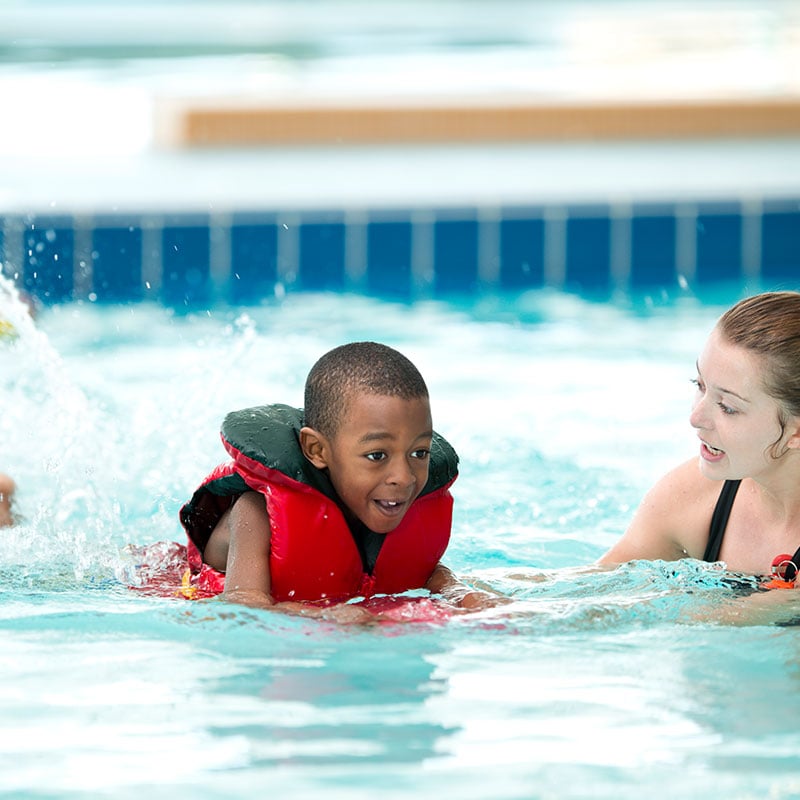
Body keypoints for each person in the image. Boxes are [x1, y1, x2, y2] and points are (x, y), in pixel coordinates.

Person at [178, 341, 500, 620]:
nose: (403, 478)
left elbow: (424, 569)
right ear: (317, 450)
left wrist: (457, 591)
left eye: (419, 453)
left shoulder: (393, 502)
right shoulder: (256, 512)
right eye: (377, 455)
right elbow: (242, 608)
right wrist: (319, 616)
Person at [600, 291, 800, 588]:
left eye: (728, 407)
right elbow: (598, 584)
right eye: (700, 385)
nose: (696, 418)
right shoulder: (694, 496)